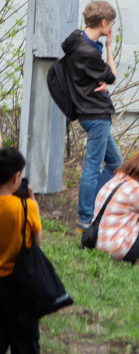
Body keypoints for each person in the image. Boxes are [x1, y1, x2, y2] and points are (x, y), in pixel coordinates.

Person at [64, 0, 122, 232]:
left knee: (116, 163)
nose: (111, 30)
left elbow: (86, 75)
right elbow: (112, 76)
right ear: (104, 22)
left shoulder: (79, 39)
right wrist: (109, 47)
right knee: (92, 166)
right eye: (111, 25)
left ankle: (93, 206)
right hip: (95, 114)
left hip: (92, 111)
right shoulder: (88, 51)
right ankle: (86, 219)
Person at [0, 148, 43, 354]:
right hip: (20, 284)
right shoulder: (26, 207)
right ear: (16, 177)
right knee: (25, 343)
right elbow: (36, 243)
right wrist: (33, 205)